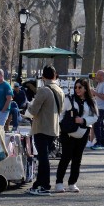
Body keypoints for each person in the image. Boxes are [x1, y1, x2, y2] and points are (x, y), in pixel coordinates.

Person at [55, 78, 98, 193]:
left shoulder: (91, 101)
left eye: (80, 87)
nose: (77, 89)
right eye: (76, 87)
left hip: (83, 133)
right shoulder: (69, 99)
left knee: (77, 159)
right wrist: (63, 125)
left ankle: (72, 183)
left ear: (85, 88)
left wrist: (83, 120)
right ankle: (59, 182)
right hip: (68, 134)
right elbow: (61, 113)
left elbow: (95, 116)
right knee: (65, 157)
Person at [27, 65, 62, 196]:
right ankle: (38, 184)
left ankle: (44, 185)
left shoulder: (43, 90)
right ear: (55, 75)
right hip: (53, 127)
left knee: (43, 158)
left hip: (41, 126)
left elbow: (33, 110)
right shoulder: (59, 90)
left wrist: (29, 106)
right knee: (44, 156)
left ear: (43, 77)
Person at [90, 69, 104, 150]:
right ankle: (101, 142)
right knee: (100, 125)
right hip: (98, 107)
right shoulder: (100, 84)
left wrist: (95, 93)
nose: (96, 76)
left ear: (102, 76)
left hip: (102, 108)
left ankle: (99, 142)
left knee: (97, 125)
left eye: (98, 75)